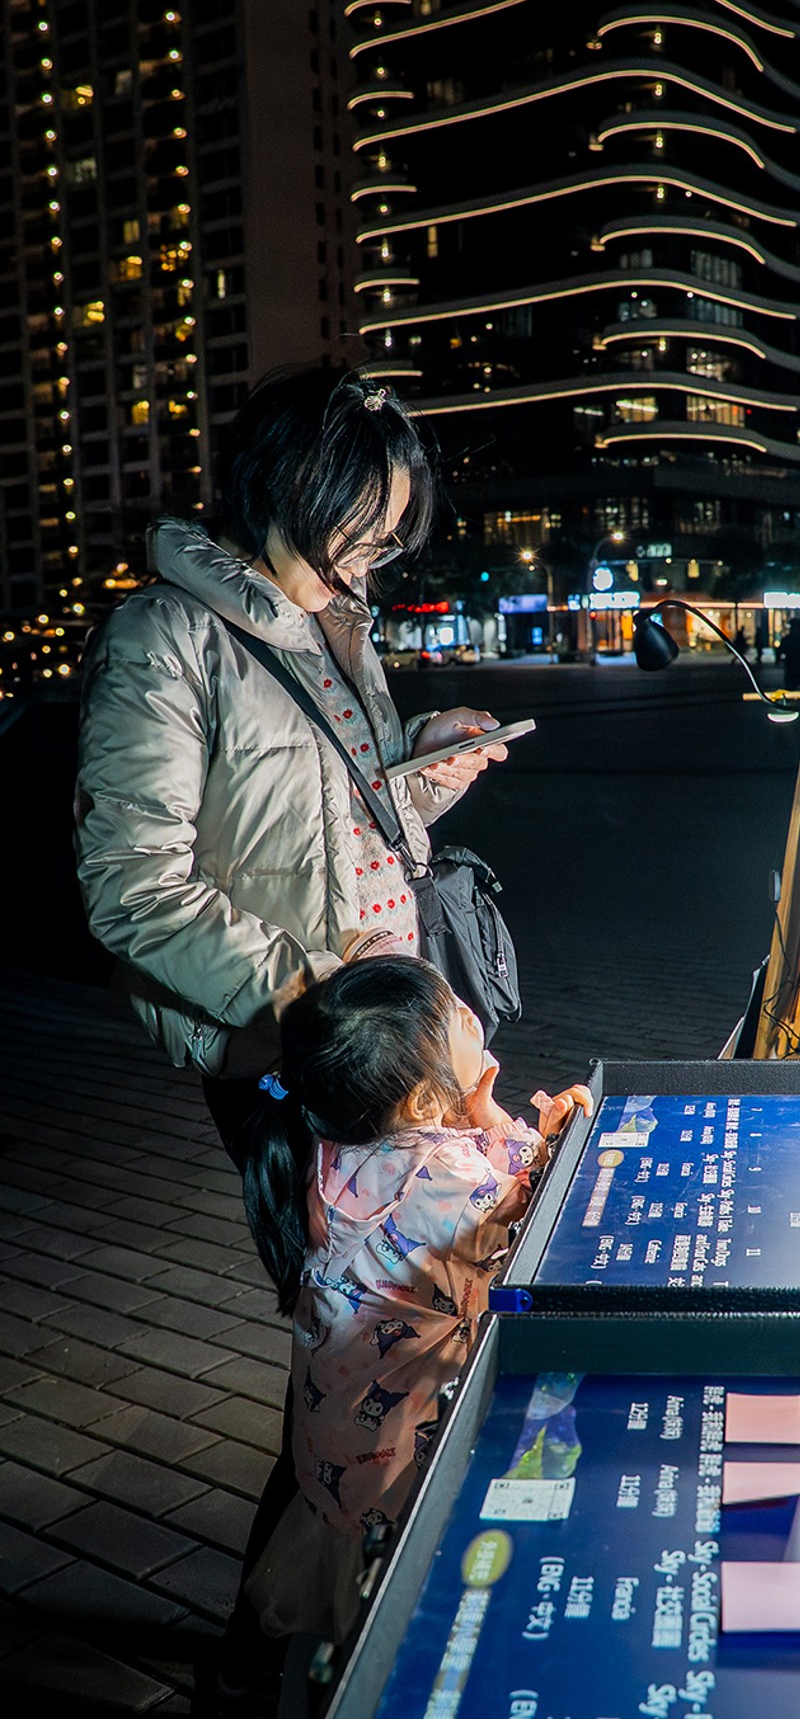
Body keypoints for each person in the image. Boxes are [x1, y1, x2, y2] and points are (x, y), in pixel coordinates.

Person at [71, 365, 512, 1710]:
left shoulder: (341, 627)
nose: (377, 555)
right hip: (292, 1053)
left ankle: (301, 1625)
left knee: (362, 1331)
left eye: (392, 535)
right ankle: (272, 1653)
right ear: (288, 488)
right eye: (364, 527)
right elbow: (129, 883)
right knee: (360, 1334)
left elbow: (348, 823)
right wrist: (313, 999)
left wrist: (420, 771)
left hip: (380, 1031)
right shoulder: (167, 640)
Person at [233, 958, 590, 1641]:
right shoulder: (439, 1170)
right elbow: (536, 1211)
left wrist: (474, 1111)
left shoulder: (334, 1142)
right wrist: (528, 1129)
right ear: (423, 1102)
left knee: (350, 1609)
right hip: (399, 1455)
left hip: (336, 1451)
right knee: (406, 1610)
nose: (467, 1010)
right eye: (451, 1013)